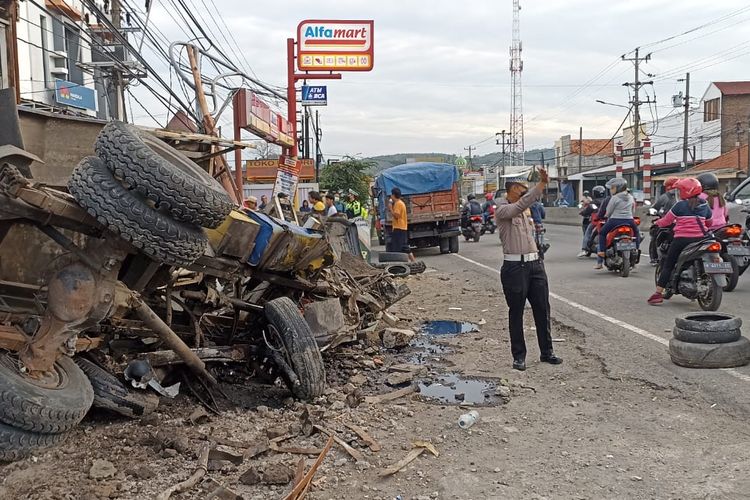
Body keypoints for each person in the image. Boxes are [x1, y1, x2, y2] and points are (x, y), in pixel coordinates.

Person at [495, 168, 562, 371]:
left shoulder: (526, 211)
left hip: (535, 265)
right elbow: (522, 204)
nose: (526, 191)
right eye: (523, 187)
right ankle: (519, 356)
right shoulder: (502, 209)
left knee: (543, 309)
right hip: (515, 267)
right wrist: (541, 183)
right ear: (514, 188)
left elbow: (528, 209)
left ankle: (547, 352)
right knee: (516, 312)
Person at [648, 177, 712, 305]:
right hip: (701, 239)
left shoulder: (680, 205)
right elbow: (709, 222)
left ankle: (658, 294)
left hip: (682, 240)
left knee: (668, 264)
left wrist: (657, 223)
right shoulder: (704, 204)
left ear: (684, 191)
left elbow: (666, 221)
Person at [595, 177, 640, 270]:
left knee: (602, 233)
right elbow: (633, 210)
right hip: (629, 220)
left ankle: (602, 252)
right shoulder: (631, 197)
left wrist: (608, 216)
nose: (611, 190)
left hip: (615, 220)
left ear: (618, 188)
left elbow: (608, 211)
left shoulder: (614, 198)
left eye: (613, 188)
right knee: (636, 233)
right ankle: (636, 249)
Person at [649, 177, 680, 265]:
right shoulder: (685, 199)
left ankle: (654, 258)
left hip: (667, 223)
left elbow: (655, 208)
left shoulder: (664, 197)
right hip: (676, 223)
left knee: (655, 236)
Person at [387, 187, 416, 262]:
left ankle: (407, 263)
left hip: (399, 228)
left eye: (391, 195)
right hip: (401, 227)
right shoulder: (400, 203)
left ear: (393, 195)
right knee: (404, 247)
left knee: (399, 247)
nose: (391, 197)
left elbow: (397, 215)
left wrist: (390, 208)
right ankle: (413, 262)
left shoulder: (398, 204)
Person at [578, 185, 607, 257]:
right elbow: (581, 205)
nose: (586, 195)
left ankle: (584, 249)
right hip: (605, 220)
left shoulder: (593, 202)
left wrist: (582, 212)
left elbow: (589, 209)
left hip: (596, 221)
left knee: (588, 232)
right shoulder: (606, 200)